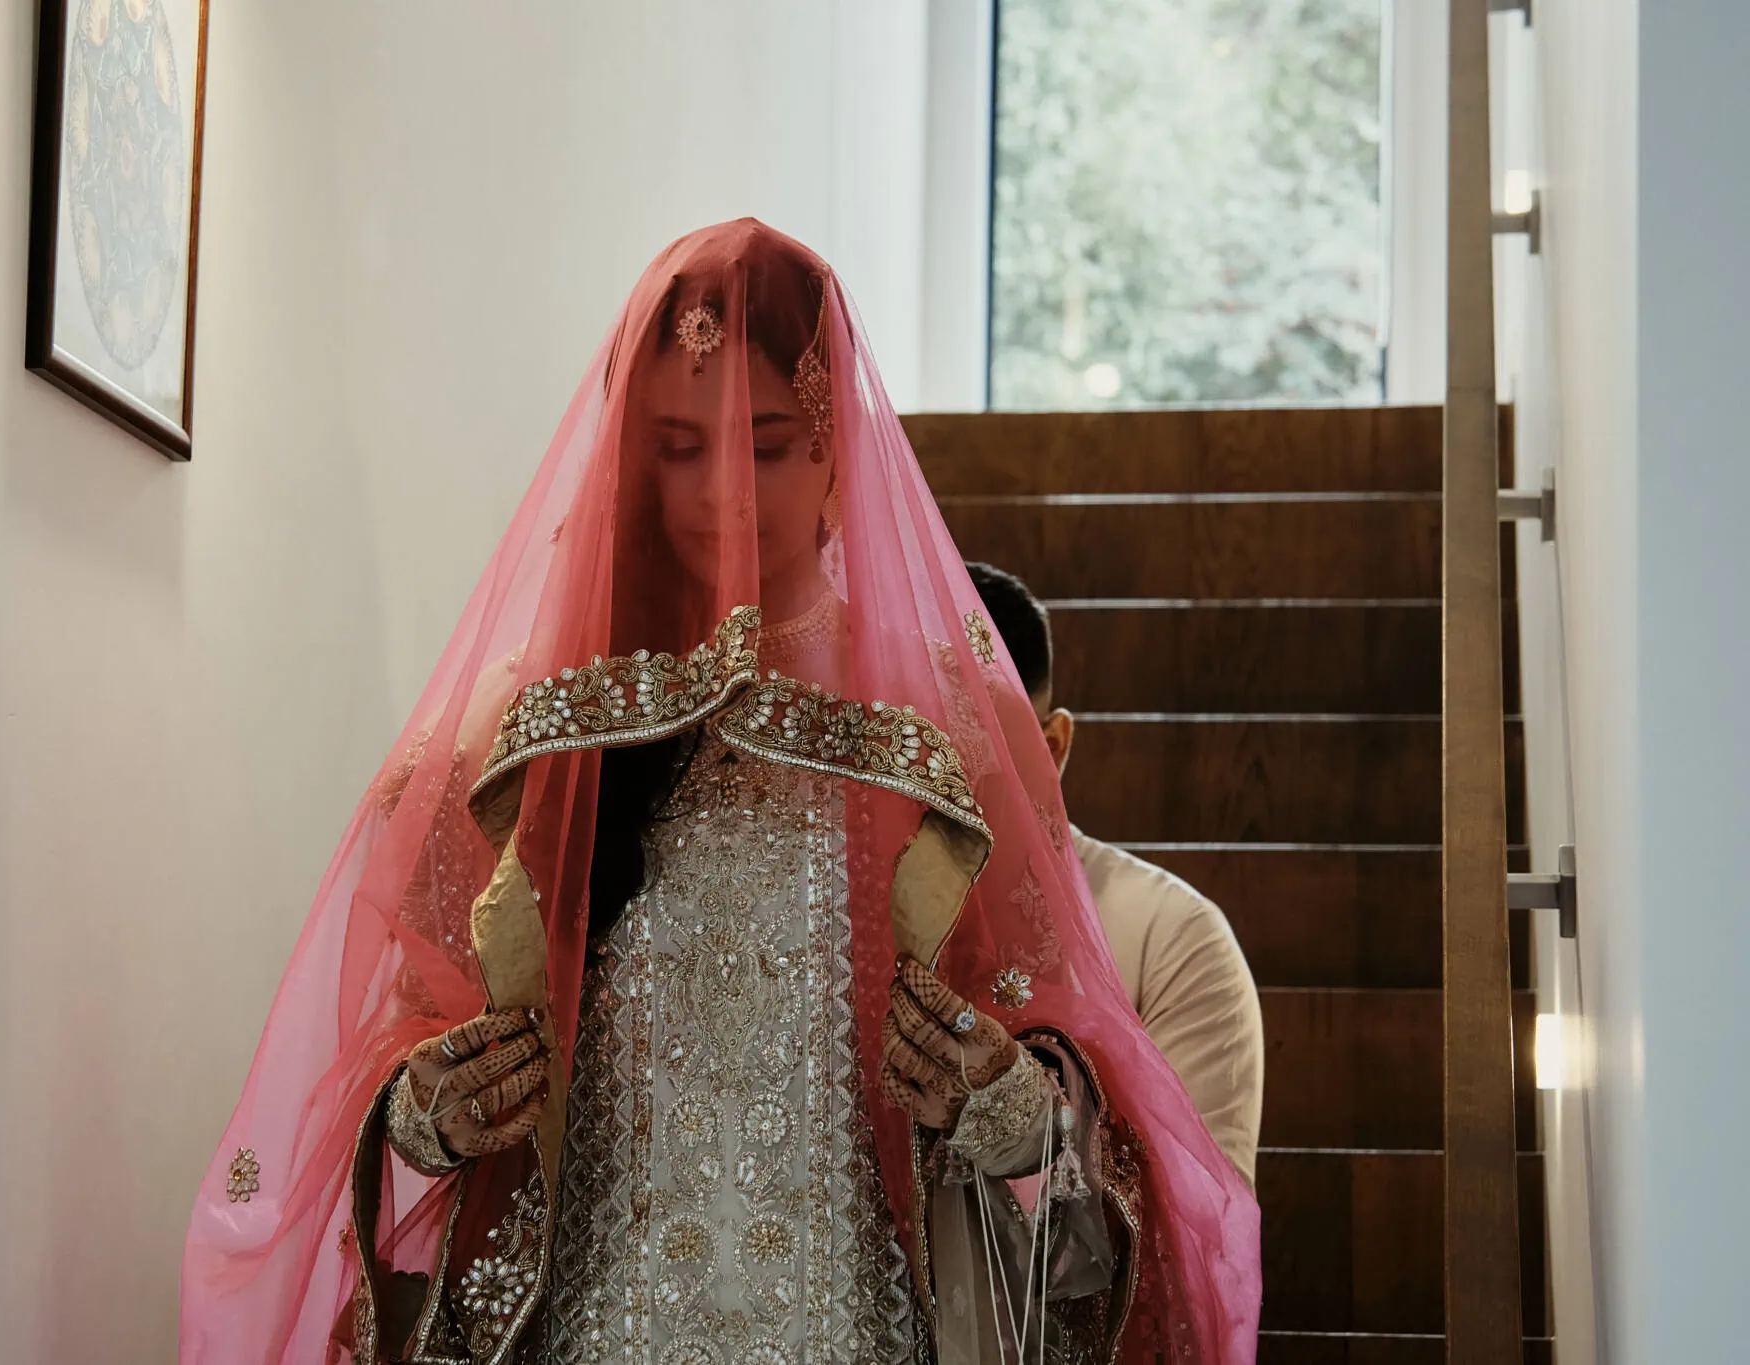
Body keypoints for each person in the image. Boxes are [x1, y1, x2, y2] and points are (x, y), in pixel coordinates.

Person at [180, 221, 1259, 1365]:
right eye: (679, 447)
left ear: (837, 445)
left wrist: (1010, 1108)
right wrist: (422, 1117)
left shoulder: (943, 730)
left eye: (766, 444)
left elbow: (1057, 1034)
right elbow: (409, 1029)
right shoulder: (536, 726)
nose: (721, 495)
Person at [964, 562, 1264, 1190]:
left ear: (1052, 750)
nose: (932, 783)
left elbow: (1197, 1241)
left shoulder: (1172, 939)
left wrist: (1015, 1119)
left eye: (971, 749)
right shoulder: (828, 919)